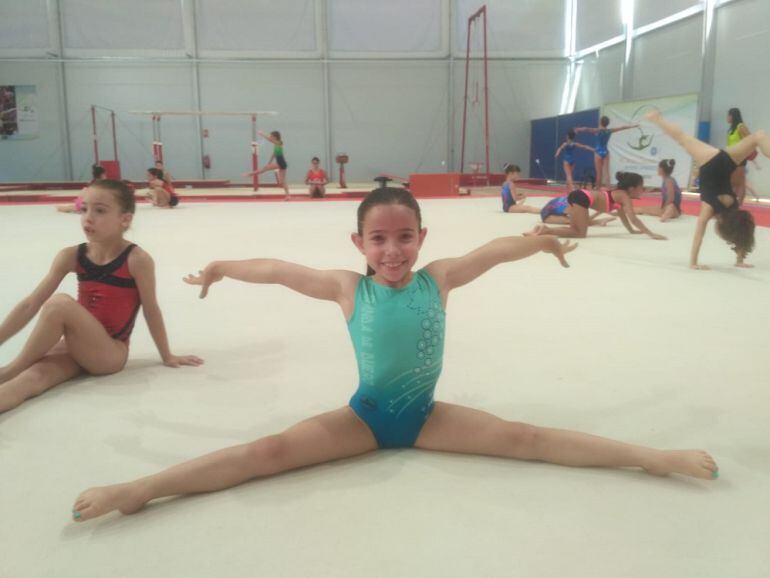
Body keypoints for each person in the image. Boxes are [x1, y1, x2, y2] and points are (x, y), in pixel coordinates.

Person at [71, 187, 718, 523]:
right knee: (263, 454)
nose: (392, 251)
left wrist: (541, 244)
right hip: (365, 417)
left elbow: (492, 251)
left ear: (420, 237)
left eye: (403, 237)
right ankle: (142, 489)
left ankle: (650, 459)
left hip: (429, 417)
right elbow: (278, 269)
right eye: (379, 239)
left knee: (526, 436)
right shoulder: (347, 288)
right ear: (359, 242)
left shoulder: (438, 278)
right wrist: (221, 266)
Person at [0, 180, 202, 413]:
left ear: (124, 219)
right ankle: (13, 373)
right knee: (30, 381)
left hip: (110, 354)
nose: (88, 217)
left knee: (59, 304)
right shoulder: (71, 255)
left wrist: (167, 355)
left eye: (100, 210)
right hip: (76, 345)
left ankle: (10, 369)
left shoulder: (137, 260)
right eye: (83, 209)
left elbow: (151, 309)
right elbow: (29, 304)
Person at [645, 110, 763, 269]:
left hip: (727, 161)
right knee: (682, 139)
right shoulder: (709, 208)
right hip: (710, 161)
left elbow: (743, 230)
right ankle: (656, 119)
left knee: (756, 137)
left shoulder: (734, 208)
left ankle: (657, 119)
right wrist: (693, 263)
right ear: (721, 224)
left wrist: (740, 260)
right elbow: (698, 236)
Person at [526, 172, 666, 240]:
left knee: (574, 230)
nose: (643, 190)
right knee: (580, 233)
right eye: (641, 187)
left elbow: (624, 217)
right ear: (631, 188)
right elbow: (633, 218)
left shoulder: (621, 196)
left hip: (579, 196)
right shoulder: (624, 196)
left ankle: (543, 230)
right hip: (582, 197)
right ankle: (545, 231)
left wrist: (631, 231)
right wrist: (651, 234)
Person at [576, 116, 639, 188]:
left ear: (600, 122)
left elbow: (586, 129)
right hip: (605, 152)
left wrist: (578, 129)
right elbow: (622, 127)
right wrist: (634, 125)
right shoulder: (609, 131)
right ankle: (608, 189)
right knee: (606, 173)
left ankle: (597, 189)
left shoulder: (597, 130)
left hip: (598, 152)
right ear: (607, 123)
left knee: (599, 173)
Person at [243, 130, 290, 201]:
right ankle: (288, 196)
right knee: (282, 181)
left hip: (281, 162)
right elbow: (274, 154)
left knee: (264, 169)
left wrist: (262, 134)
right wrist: (269, 162)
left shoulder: (279, 142)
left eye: (271, 136)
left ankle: (250, 174)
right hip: (282, 163)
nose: (270, 137)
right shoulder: (276, 145)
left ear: (275, 137)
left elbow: (269, 140)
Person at [539, 194, 615, 227]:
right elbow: (579, 222)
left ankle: (600, 216)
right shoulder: (571, 205)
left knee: (579, 219)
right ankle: (599, 221)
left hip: (555, 209)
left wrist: (599, 212)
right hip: (547, 216)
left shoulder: (576, 200)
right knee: (575, 222)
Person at [727, 108, 751, 205]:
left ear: (732, 116)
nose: (727, 118)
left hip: (740, 157)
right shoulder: (731, 129)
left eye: (728, 115)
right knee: (732, 181)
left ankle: (739, 203)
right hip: (731, 157)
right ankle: (733, 201)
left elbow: (750, 139)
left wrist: (743, 151)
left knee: (740, 181)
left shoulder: (741, 127)